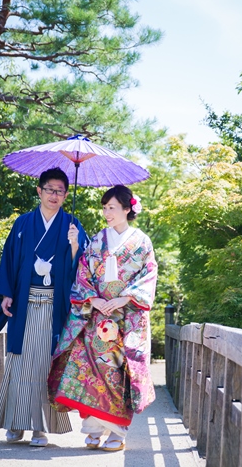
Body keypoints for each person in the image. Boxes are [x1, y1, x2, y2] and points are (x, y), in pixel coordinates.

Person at [48, 185, 157, 452]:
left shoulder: (142, 241)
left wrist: (125, 298)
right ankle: (94, 429)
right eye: (105, 207)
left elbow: (149, 275)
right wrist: (94, 299)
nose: (107, 212)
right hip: (97, 316)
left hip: (126, 317)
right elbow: (83, 272)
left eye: (112, 207)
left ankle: (118, 432)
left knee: (117, 372)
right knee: (90, 370)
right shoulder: (97, 240)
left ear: (127, 209)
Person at [0, 167, 88, 447]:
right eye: (49, 189)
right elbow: (9, 260)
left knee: (46, 363)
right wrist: (6, 294)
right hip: (24, 303)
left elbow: (84, 267)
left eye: (60, 191)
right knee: (19, 362)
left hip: (54, 307)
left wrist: (74, 246)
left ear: (66, 195)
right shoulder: (23, 223)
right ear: (39, 191)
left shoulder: (72, 225)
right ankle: (15, 423)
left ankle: (40, 428)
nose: (54, 195)